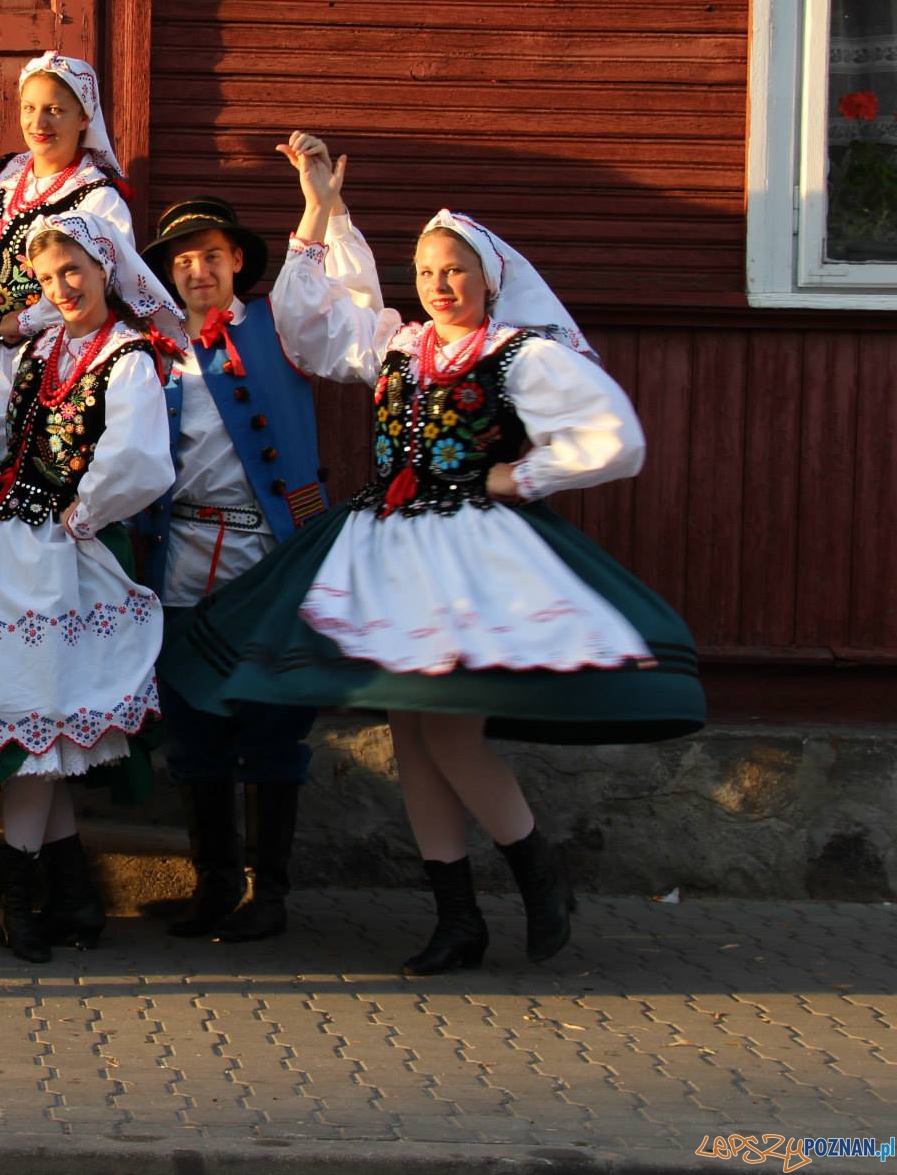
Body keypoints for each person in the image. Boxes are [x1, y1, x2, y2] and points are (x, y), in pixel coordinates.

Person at [167, 133, 706, 974]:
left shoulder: (518, 355)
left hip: (469, 562)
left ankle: (540, 872)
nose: (439, 285)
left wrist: (520, 475)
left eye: (453, 270)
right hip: (394, 554)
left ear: (489, 279)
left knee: (450, 739)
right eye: (425, 272)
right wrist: (318, 208)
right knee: (412, 739)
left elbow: (614, 438)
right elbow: (307, 326)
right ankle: (457, 919)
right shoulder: (396, 343)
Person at [0, 210, 184, 963]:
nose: (62, 286)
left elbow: (139, 456)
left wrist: (84, 512)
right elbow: (8, 432)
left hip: (71, 561)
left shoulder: (128, 356)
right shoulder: (40, 351)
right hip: (10, 550)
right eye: (46, 277)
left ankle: (20, 897)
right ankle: (73, 895)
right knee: (45, 726)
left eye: (73, 270)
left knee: (42, 723)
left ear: (106, 269)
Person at [138, 198, 325, 943]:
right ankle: (214, 886)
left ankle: (269, 894)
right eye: (183, 261)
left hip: (268, 556)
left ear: (238, 261)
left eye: (210, 256)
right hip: (182, 550)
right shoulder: (152, 349)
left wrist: (315, 206)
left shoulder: (283, 330)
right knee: (193, 724)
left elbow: (324, 291)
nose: (198, 271)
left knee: (273, 721)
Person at [0, 54, 138, 376]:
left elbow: (100, 286)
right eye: (29, 108)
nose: (38, 123)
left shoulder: (97, 198)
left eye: (55, 110)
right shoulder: (4, 173)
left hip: (30, 361)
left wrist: (23, 321)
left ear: (83, 117)